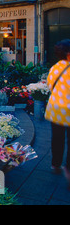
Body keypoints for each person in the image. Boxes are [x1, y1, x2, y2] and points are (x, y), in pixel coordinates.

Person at [45, 39, 70, 187]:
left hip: (56, 109)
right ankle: (68, 169)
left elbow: (50, 85)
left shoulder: (55, 68)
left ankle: (55, 165)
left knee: (57, 138)